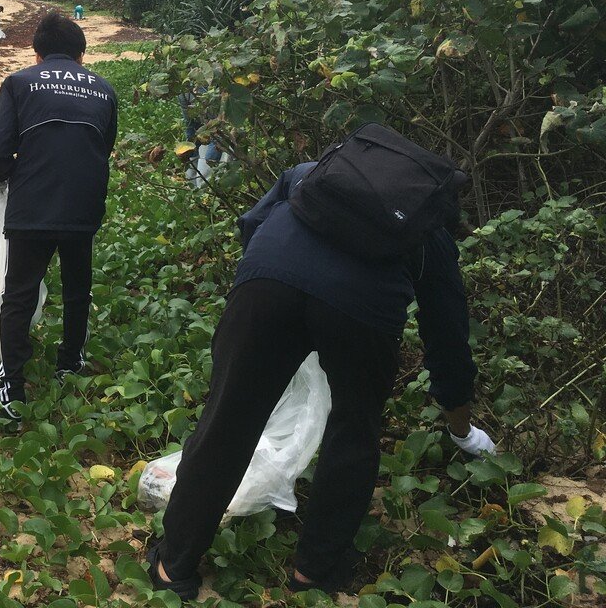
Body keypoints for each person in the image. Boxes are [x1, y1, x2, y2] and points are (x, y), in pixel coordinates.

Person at [147, 160, 495, 599]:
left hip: (267, 281)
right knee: (354, 430)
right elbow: (448, 343)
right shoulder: (430, 233)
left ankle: (173, 566)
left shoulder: (312, 173)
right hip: (360, 314)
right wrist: (461, 428)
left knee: (228, 418)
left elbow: (253, 225)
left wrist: (274, 307)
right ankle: (314, 574)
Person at [0, 12, 118, 422]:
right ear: (81, 55)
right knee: (78, 289)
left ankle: (12, 390)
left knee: (19, 294)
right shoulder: (105, 89)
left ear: (37, 54)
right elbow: (104, 145)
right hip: (83, 203)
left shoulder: (19, 82)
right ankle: (70, 362)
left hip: (33, 206)